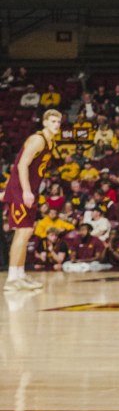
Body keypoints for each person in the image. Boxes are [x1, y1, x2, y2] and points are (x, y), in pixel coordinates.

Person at [3, 109, 62, 292]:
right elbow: (21, 165)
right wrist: (26, 191)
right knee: (22, 232)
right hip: (21, 190)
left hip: (29, 191)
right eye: (52, 121)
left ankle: (19, 275)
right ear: (44, 122)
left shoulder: (51, 143)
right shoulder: (38, 140)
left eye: (58, 122)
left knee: (27, 232)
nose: (56, 124)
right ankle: (12, 278)